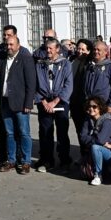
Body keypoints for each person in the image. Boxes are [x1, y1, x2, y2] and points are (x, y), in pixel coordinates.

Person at [0, 36, 37, 174]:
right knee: (9, 133)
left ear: (18, 45)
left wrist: (29, 102)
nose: (9, 47)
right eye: (7, 45)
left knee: (24, 133)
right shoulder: (2, 59)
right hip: (5, 102)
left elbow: (31, 83)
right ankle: (11, 160)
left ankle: (26, 162)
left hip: (21, 103)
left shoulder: (25, 59)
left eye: (12, 44)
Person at [34, 37, 73, 174]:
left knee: (62, 133)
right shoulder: (40, 64)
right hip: (44, 102)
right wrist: (43, 101)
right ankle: (47, 160)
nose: (48, 51)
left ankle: (64, 161)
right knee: (45, 132)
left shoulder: (66, 64)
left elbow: (68, 85)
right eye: (47, 48)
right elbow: (35, 84)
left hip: (60, 102)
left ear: (57, 49)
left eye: (51, 48)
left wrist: (55, 101)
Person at [79, 96, 111, 186]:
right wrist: (93, 139)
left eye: (94, 106)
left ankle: (98, 175)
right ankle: (107, 170)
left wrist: (90, 139)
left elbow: (100, 140)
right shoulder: (88, 120)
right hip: (98, 151)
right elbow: (82, 137)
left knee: (95, 147)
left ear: (100, 107)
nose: (91, 108)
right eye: (89, 106)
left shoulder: (107, 121)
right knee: (95, 147)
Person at [0, 24, 17, 166]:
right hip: (0, 95)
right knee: (1, 127)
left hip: (15, 96)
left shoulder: (20, 51)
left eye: (9, 35)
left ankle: (16, 156)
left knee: (16, 128)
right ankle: (2, 155)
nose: (6, 37)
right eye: (4, 35)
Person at [83, 41, 111, 115]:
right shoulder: (89, 66)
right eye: (94, 49)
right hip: (90, 104)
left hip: (103, 105)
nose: (96, 52)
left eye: (98, 50)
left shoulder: (110, 66)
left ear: (105, 52)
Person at [69, 39, 93, 147]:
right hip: (74, 102)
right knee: (79, 130)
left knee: (88, 130)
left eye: (83, 49)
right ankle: (83, 153)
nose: (80, 51)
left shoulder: (90, 64)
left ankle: (90, 154)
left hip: (86, 102)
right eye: (78, 48)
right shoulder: (72, 61)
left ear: (88, 51)